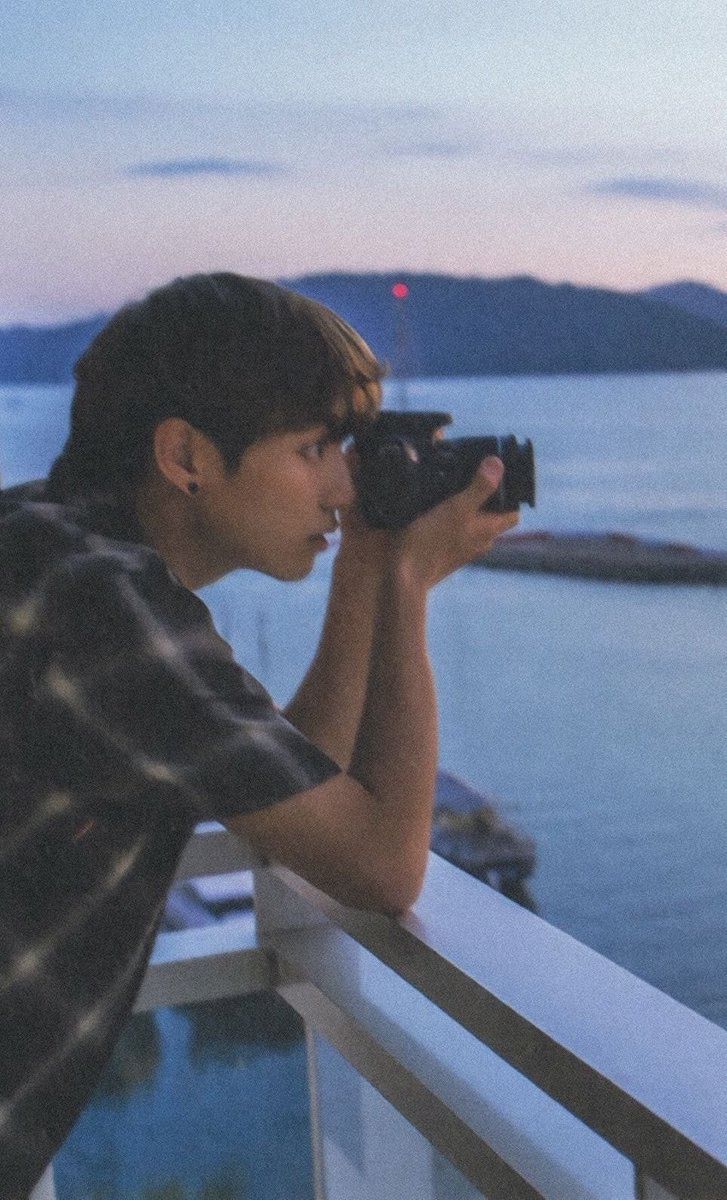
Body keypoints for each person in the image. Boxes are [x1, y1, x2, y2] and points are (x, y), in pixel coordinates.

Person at [0, 273, 516, 1197]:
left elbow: (288, 786)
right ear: (185, 455)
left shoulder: (46, 541)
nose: (343, 484)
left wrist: (365, 562)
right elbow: (379, 867)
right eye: (313, 448)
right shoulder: (102, 608)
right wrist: (406, 587)